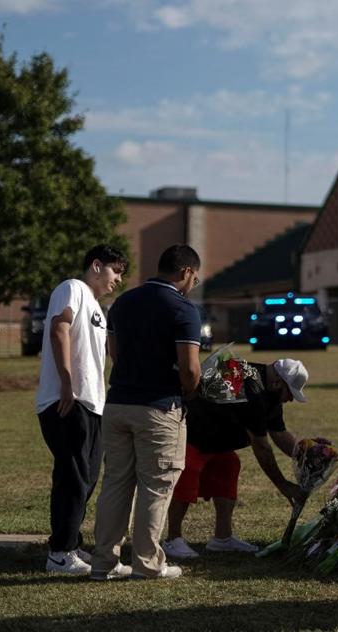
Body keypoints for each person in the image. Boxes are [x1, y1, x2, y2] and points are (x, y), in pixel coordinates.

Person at [90, 244, 203, 581]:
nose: (192, 284)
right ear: (185, 272)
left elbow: (114, 352)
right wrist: (191, 392)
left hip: (118, 402)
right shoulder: (183, 309)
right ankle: (147, 563)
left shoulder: (123, 302)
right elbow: (190, 368)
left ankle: (103, 563)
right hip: (159, 406)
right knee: (156, 485)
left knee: (115, 484)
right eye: (194, 279)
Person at [35, 245, 127, 575]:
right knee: (72, 477)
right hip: (67, 400)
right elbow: (59, 327)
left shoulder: (99, 308)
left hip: (91, 404)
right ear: (97, 265)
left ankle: (70, 545)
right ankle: (59, 554)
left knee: (86, 479)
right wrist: (66, 382)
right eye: (116, 270)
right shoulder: (72, 288)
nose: (119, 278)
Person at [162, 357, 309, 560]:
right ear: (277, 382)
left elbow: (279, 433)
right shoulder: (251, 388)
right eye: (289, 393)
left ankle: (222, 538)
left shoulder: (268, 390)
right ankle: (173, 538)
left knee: (228, 466)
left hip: (216, 439)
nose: (290, 399)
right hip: (191, 433)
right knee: (188, 473)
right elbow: (261, 446)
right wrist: (282, 484)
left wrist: (308, 456)